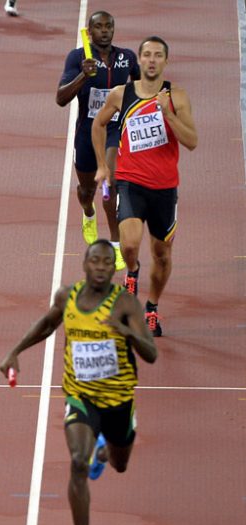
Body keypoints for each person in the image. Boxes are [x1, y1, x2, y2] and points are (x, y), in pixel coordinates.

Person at [0, 239, 157, 525]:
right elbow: (46, 325)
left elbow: (151, 354)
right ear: (84, 264)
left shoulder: (125, 303)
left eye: (106, 262)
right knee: (76, 462)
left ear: (113, 268)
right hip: (80, 396)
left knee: (120, 463)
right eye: (95, 261)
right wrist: (15, 352)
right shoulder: (66, 297)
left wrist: (128, 331)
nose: (101, 267)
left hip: (117, 400)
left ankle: (105, 450)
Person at [93, 35, 197, 337]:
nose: (151, 60)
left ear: (166, 61)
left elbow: (191, 142)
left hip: (165, 188)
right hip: (130, 182)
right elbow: (99, 124)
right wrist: (102, 164)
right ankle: (132, 271)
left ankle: (151, 307)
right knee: (128, 243)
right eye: (147, 55)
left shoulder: (177, 97)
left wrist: (166, 113)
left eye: (157, 55)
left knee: (163, 254)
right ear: (139, 60)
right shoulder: (120, 95)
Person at [56, 11, 139, 266]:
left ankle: (115, 243)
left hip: (114, 130)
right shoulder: (79, 57)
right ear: (89, 33)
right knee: (87, 190)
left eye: (109, 26)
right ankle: (88, 213)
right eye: (99, 27)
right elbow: (60, 99)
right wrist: (83, 76)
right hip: (87, 132)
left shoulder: (127, 57)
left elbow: (140, 87)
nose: (105, 31)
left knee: (110, 184)